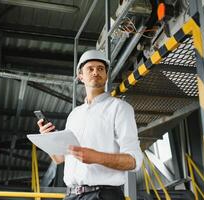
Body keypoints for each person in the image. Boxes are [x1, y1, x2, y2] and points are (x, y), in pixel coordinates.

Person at [37, 49, 143, 200]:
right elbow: (60, 159)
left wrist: (97, 157)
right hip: (71, 195)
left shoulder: (120, 108)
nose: (95, 72)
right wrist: (48, 140)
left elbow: (134, 161)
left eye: (100, 69)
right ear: (80, 76)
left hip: (103, 195)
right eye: (90, 69)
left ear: (106, 76)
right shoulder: (74, 115)